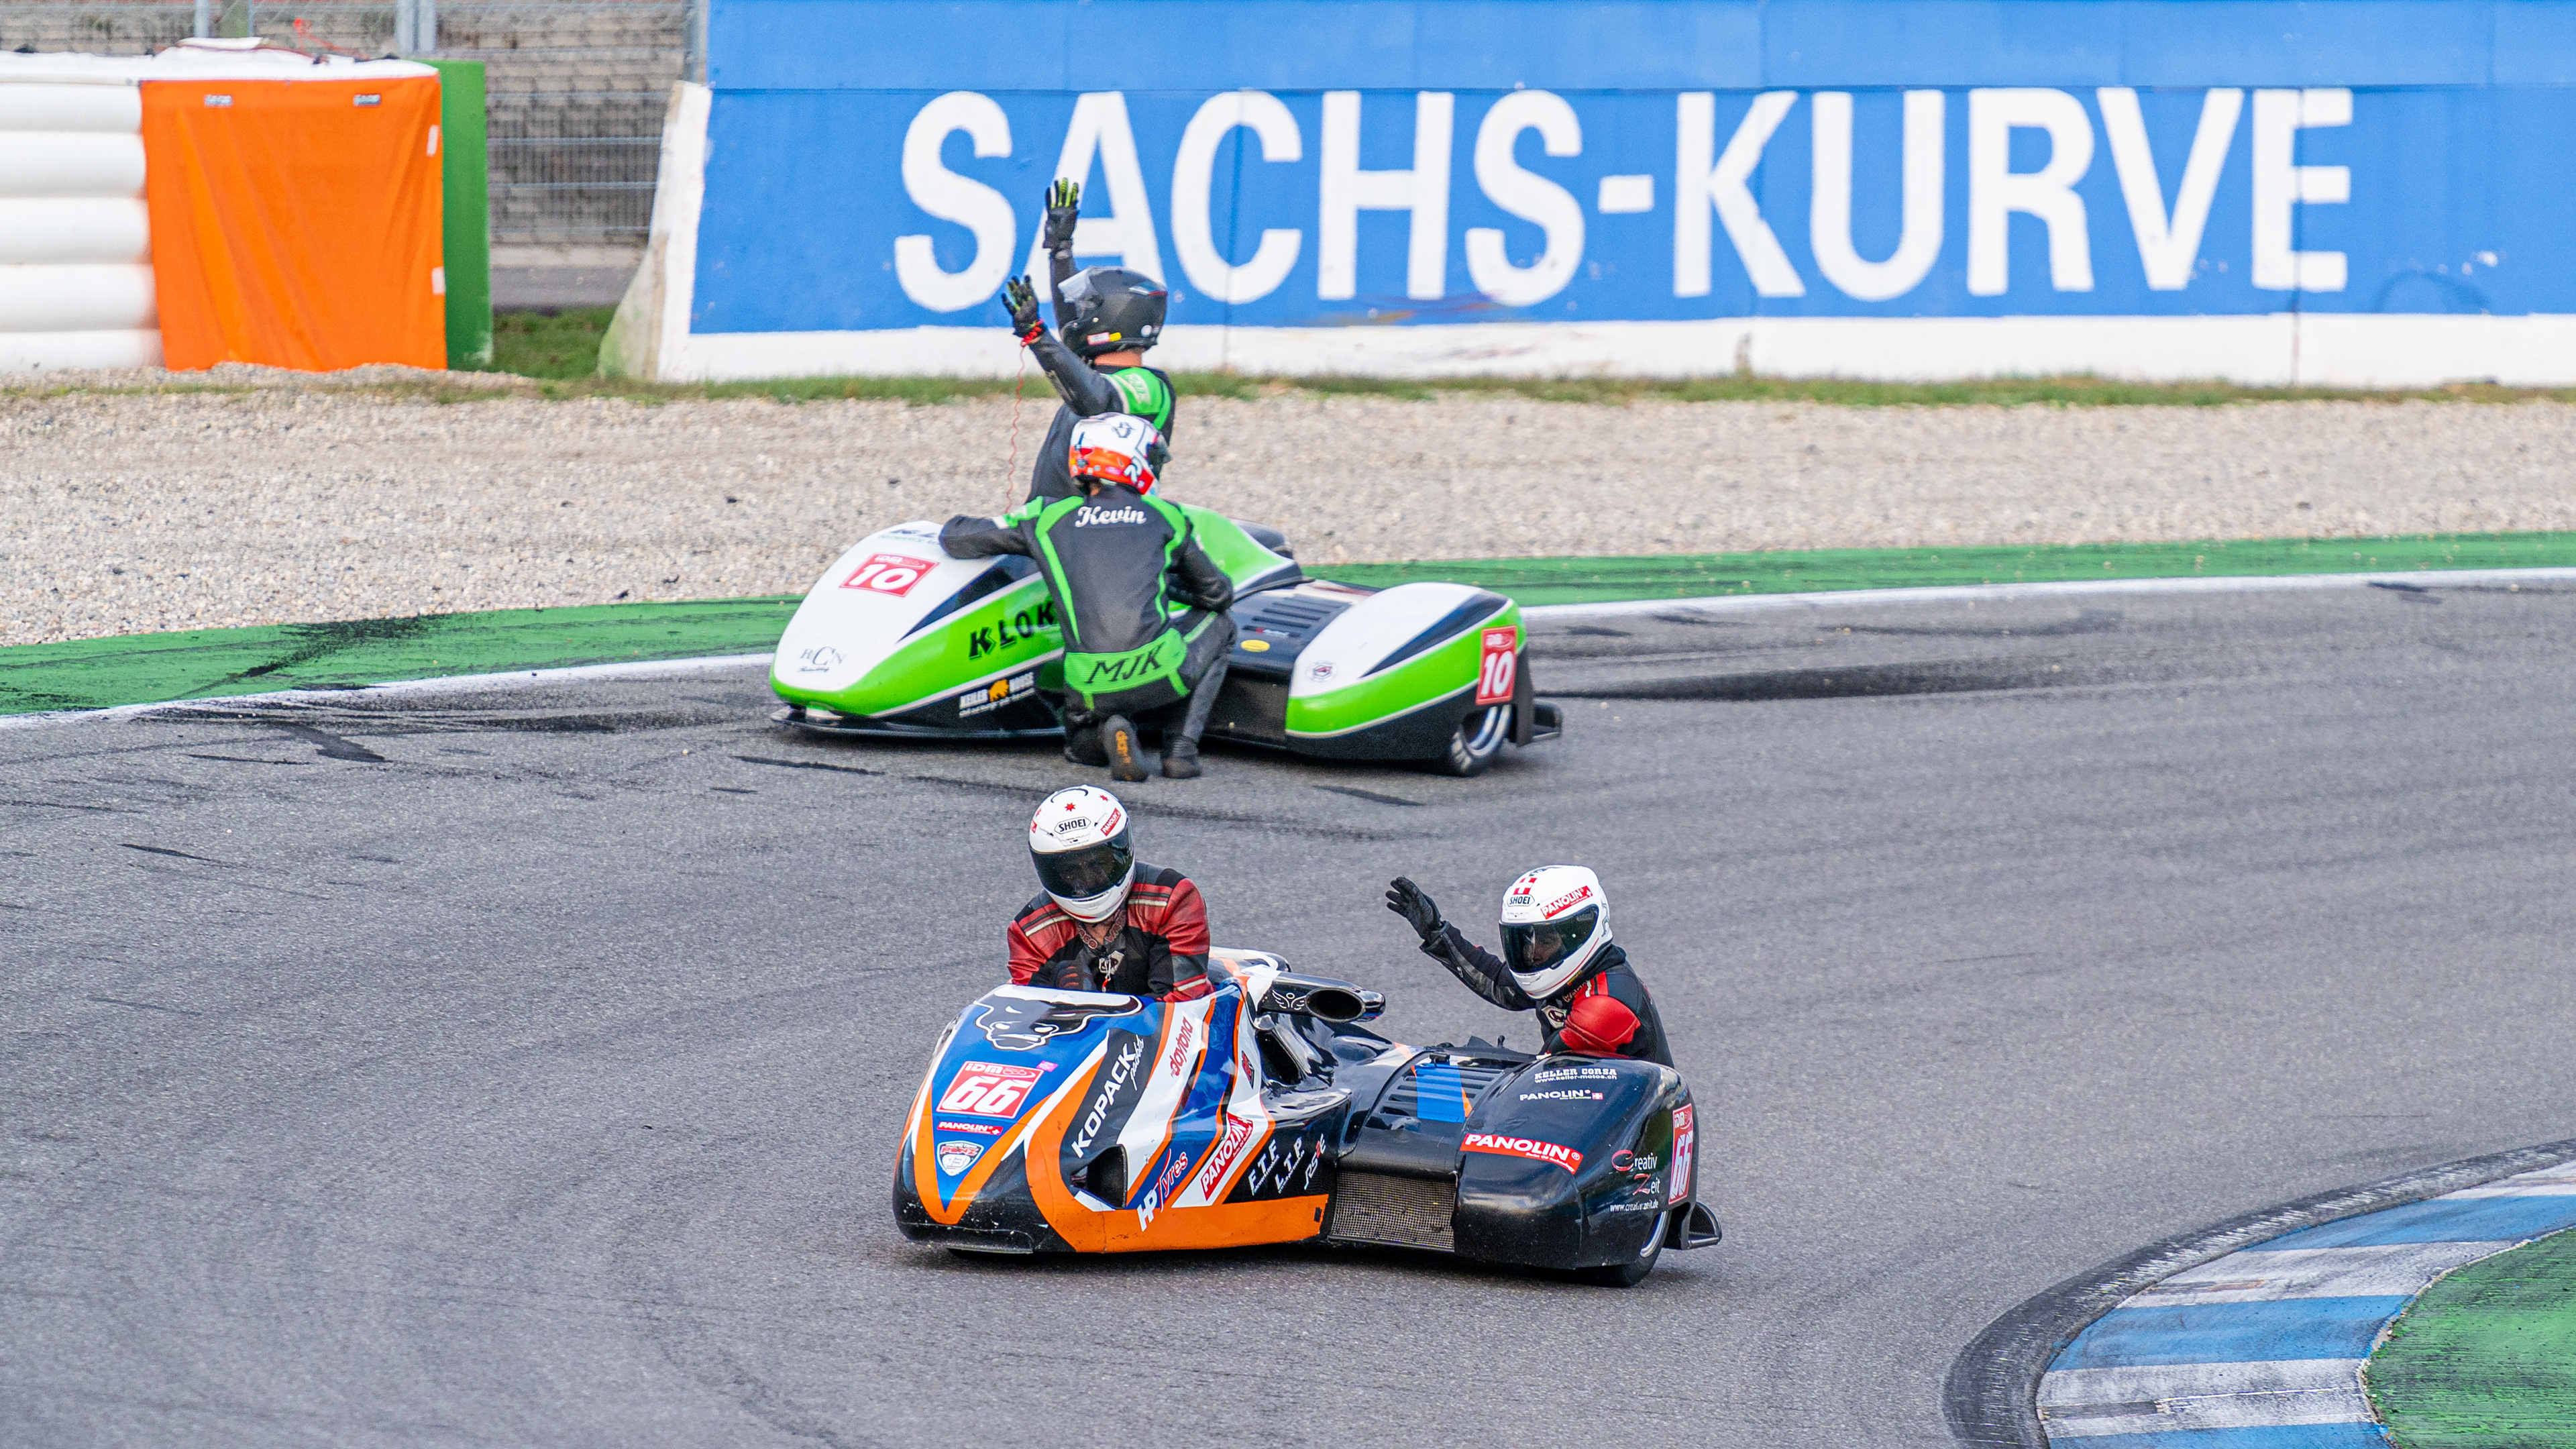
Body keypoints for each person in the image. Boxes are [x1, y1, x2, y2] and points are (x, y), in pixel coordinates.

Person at [939, 413, 1235, 782]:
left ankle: (1104, 733)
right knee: (1224, 625)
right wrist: (1167, 584)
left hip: (1089, 687)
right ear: (1132, 460)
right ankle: (1180, 752)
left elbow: (955, 537)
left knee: (1078, 748)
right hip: (1162, 675)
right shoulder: (1167, 515)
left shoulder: (1047, 517)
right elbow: (1219, 595)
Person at [1382, 866, 1672, 1064]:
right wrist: (1437, 932)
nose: (1531, 954)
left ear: (1579, 931)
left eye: (1544, 940)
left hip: (1635, 1130)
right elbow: (1500, 984)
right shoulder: (1571, 975)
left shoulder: (1605, 1004)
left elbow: (1543, 1072)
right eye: (1523, 941)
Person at [1004, 178, 1177, 506]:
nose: (1078, 317)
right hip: (1055, 524)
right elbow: (1073, 347)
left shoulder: (1151, 387)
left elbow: (1097, 399)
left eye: (1087, 308)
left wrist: (1038, 336)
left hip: (1095, 532)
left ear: (1113, 318)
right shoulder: (1093, 376)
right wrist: (1060, 251)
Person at [1010, 785, 1214, 1001]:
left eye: (1098, 863)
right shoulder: (1030, 931)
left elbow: (1181, 1002)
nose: (1087, 881)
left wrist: (1088, 1004)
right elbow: (1026, 1010)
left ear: (1121, 852)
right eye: (1070, 870)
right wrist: (1059, 997)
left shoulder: (1172, 899)